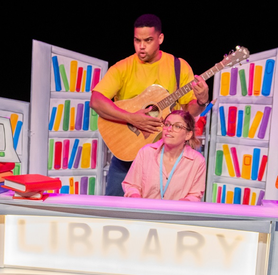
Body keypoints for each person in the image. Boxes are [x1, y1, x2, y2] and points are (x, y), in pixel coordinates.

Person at [89, 14, 210, 196]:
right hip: (128, 152)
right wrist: (132, 118)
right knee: (115, 208)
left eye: (148, 40)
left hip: (167, 154)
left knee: (163, 209)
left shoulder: (179, 66)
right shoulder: (123, 67)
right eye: (137, 40)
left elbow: (190, 111)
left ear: (160, 38)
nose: (141, 46)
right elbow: (96, 100)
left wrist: (201, 101)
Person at [122, 110, 206, 201]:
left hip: (176, 213)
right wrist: (135, 197)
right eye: (167, 124)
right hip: (146, 212)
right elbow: (132, 185)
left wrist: (181, 205)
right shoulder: (146, 152)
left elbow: (195, 195)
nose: (169, 129)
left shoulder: (197, 161)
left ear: (188, 135)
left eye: (177, 126)